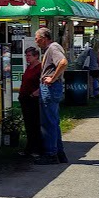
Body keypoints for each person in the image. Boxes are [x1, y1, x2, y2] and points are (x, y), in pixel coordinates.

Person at [35, 27, 68, 165]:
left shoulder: (53, 48)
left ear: (43, 38)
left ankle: (51, 153)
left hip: (50, 87)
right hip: (50, 87)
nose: (36, 42)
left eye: (37, 39)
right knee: (53, 121)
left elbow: (63, 62)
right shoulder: (51, 48)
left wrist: (52, 78)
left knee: (48, 122)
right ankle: (58, 152)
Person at [18, 47, 43, 158]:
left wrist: (35, 93)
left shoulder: (40, 67)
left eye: (29, 56)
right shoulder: (29, 67)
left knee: (35, 124)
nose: (27, 58)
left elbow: (42, 83)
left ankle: (37, 148)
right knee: (28, 124)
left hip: (33, 98)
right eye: (26, 56)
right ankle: (29, 147)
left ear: (36, 56)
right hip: (25, 98)